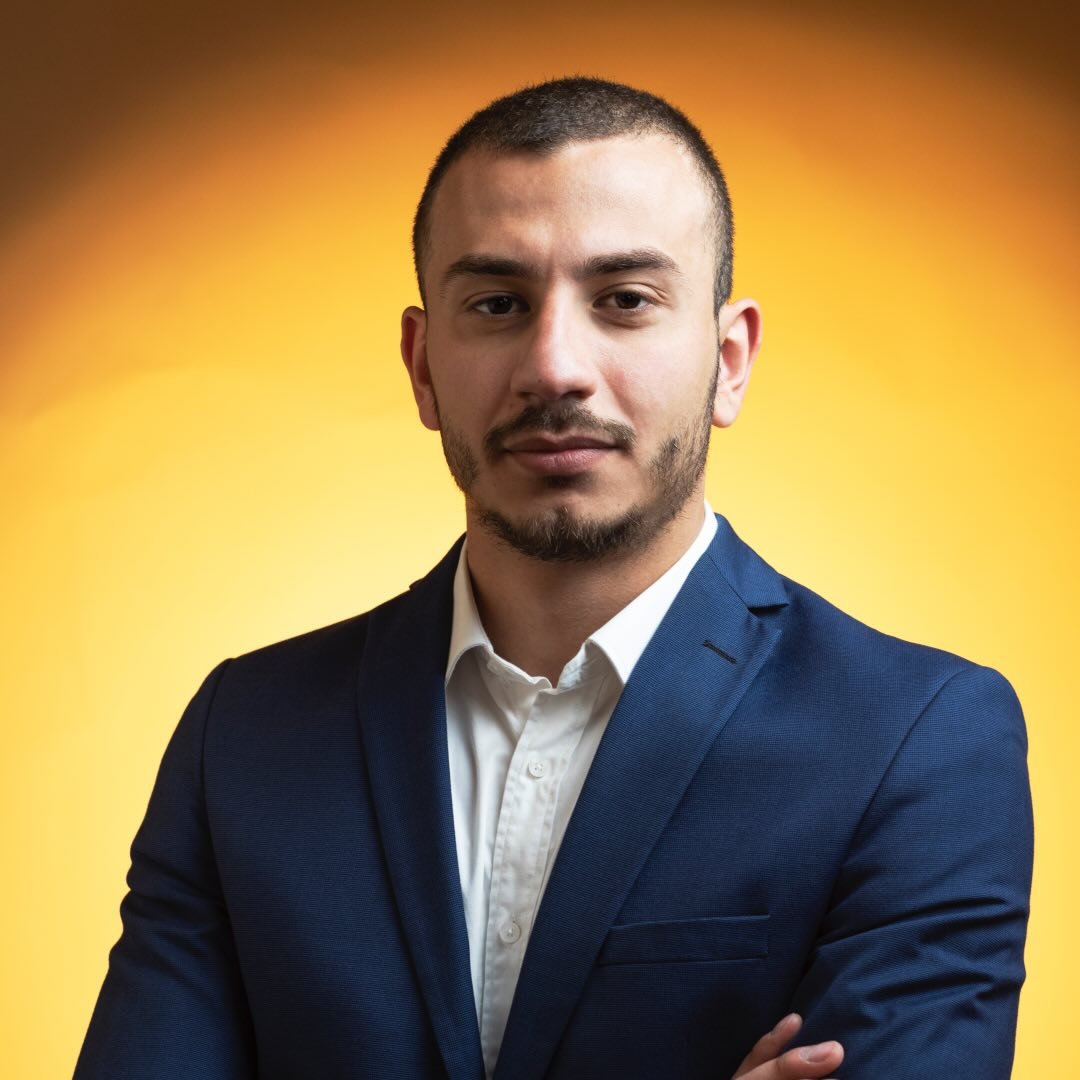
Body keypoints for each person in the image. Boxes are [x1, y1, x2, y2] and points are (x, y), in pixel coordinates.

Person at [74, 77, 1032, 1080]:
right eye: (497, 304)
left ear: (730, 359)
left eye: (625, 300)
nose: (554, 366)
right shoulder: (244, 736)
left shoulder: (918, 742)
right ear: (422, 366)